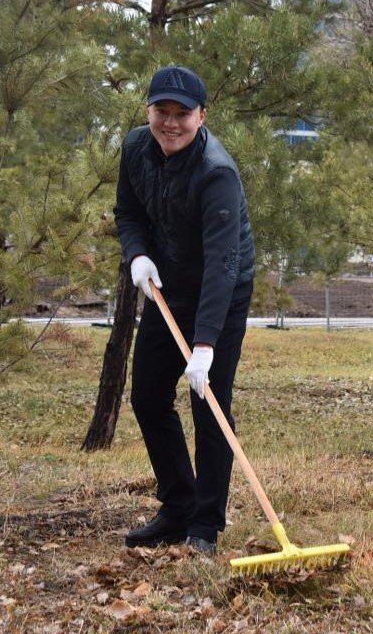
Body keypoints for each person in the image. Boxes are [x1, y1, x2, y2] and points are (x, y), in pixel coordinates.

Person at [114, 65, 255, 554]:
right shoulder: (135, 147)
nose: (170, 123)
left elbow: (223, 263)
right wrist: (137, 255)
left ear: (201, 116)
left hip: (224, 288)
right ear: (149, 110)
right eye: (161, 111)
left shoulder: (217, 173)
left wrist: (206, 345)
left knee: (208, 403)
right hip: (168, 283)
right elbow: (128, 212)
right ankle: (177, 507)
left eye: (182, 114)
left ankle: (205, 526)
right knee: (148, 395)